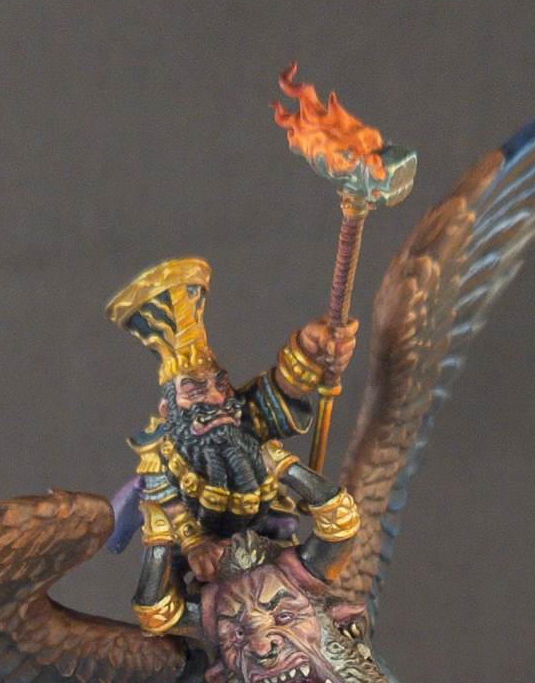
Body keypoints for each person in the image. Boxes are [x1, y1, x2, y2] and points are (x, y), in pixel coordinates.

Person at [104, 257, 362, 634]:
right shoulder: (161, 458)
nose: (216, 399)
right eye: (196, 390)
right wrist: (194, 545)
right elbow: (165, 512)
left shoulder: (241, 416)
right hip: (200, 575)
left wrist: (312, 351)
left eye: (221, 385)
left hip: (272, 552)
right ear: (168, 409)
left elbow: (282, 389)